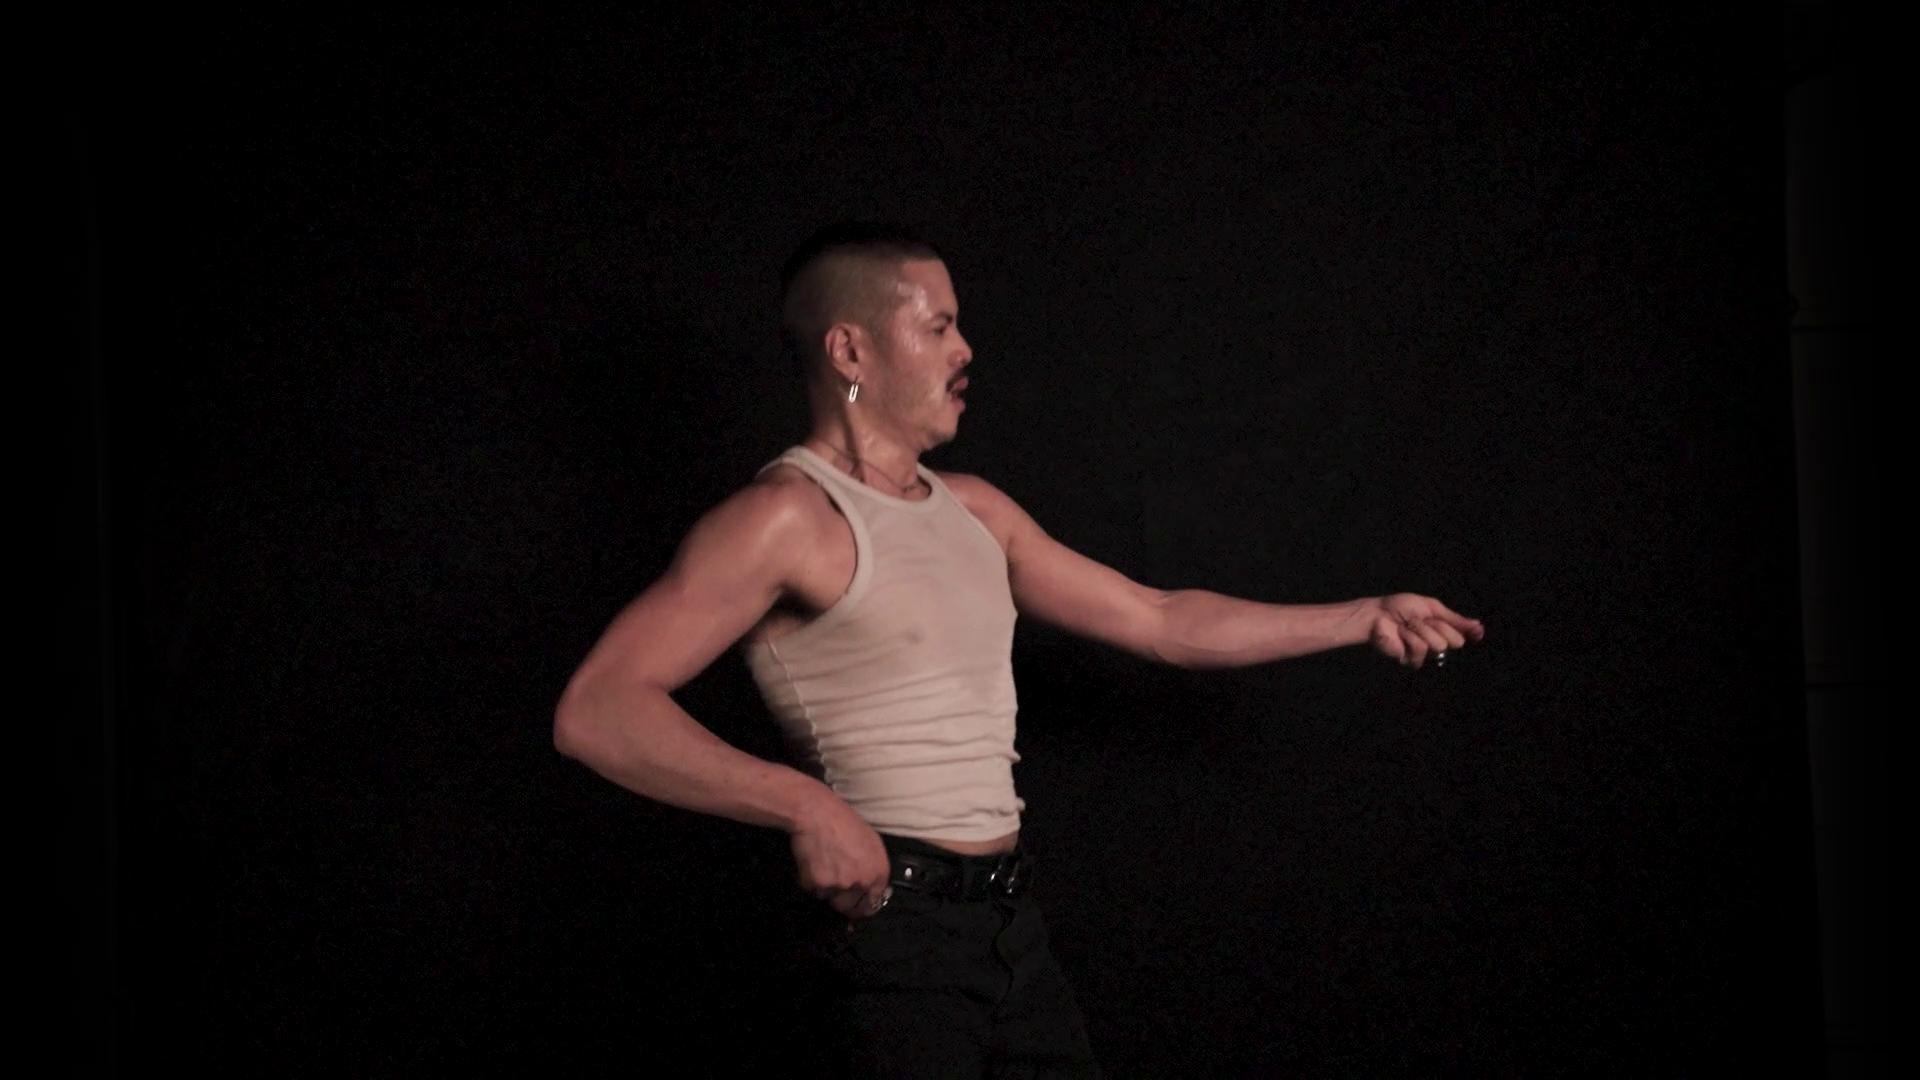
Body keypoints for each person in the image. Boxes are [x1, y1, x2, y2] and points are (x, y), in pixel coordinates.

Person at [553, 222, 1485, 1077]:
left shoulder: (977, 510)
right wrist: (800, 803)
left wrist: (1360, 613)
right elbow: (599, 707)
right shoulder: (784, 518)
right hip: (890, 942)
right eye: (939, 328)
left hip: (1007, 930)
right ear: (850, 349)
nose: (967, 353)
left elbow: (1159, 619)